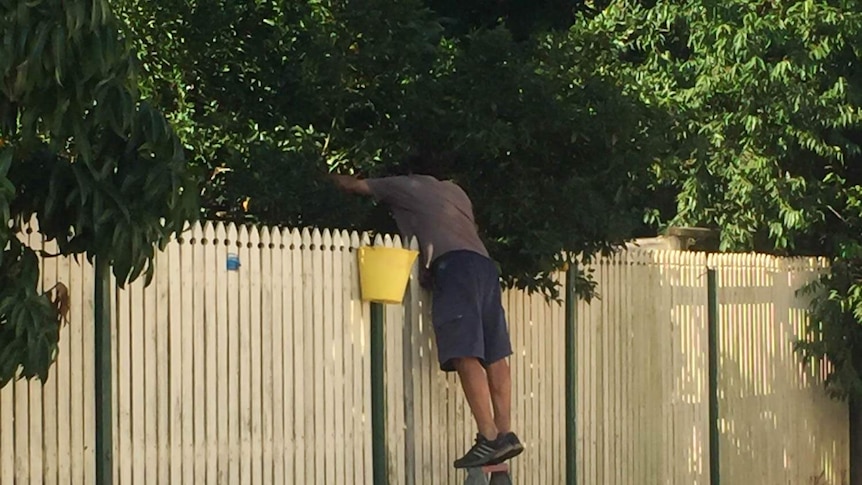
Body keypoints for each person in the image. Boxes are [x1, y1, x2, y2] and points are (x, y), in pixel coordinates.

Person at [330, 154, 524, 468]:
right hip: (484, 267)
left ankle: (488, 437)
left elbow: (355, 186)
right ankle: (505, 433)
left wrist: (322, 176)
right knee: (495, 353)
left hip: (454, 266)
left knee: (465, 353)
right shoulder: (456, 192)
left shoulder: (405, 185)